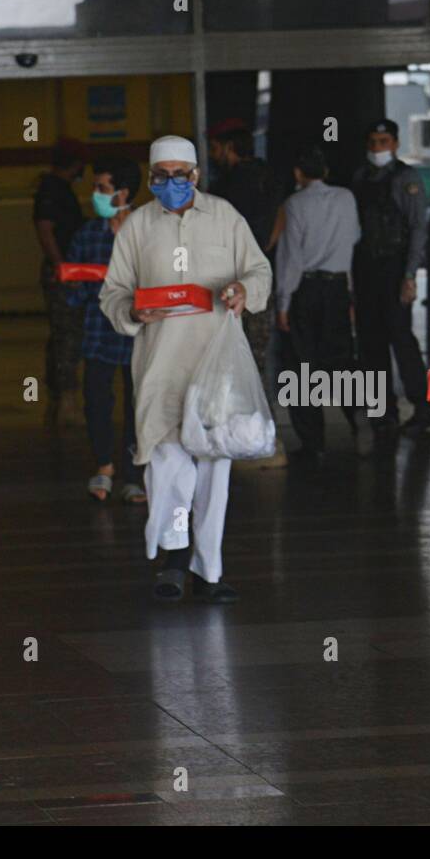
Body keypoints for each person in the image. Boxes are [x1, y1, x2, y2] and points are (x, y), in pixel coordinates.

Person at [99, 135, 272, 604]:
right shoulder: (137, 226)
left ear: (195, 175)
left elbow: (260, 271)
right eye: (162, 176)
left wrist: (242, 289)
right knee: (167, 461)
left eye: (181, 174)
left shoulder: (225, 217)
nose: (171, 183)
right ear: (151, 178)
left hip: (216, 365)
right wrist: (134, 314)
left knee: (215, 464)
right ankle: (175, 559)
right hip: (160, 364)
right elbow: (113, 291)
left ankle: (208, 570)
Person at [274, 145, 366, 462]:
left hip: (306, 291)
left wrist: (283, 303)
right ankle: (360, 417)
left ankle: (314, 442)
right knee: (342, 359)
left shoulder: (294, 204)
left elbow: (291, 259)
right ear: (325, 172)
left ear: (298, 174)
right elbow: (353, 239)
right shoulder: (346, 198)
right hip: (338, 288)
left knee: (301, 367)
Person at [65, 156, 145, 504]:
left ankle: (135, 473)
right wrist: (96, 285)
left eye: (102, 188)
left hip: (141, 334)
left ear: (123, 193)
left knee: (138, 404)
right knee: (96, 400)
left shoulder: (148, 232)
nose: (95, 194)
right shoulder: (86, 234)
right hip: (98, 332)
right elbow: (72, 289)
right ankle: (104, 466)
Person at [207, 118, 286, 466]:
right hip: (259, 281)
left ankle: (247, 440)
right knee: (255, 360)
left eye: (214, 148)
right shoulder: (270, 176)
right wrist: (263, 252)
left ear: (227, 148)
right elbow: (280, 218)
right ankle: (258, 439)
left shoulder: (228, 185)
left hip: (232, 286)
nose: (213, 155)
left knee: (235, 364)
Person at [351, 118, 430, 436]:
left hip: (394, 267)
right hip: (366, 269)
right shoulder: (361, 177)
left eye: (383, 142)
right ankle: (382, 412)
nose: (377, 148)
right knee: (371, 342)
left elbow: (418, 228)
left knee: (401, 339)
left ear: (395, 144)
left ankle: (422, 409)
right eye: (372, 142)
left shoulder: (405, 177)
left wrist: (410, 274)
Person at [33, 137, 88, 428]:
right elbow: (46, 230)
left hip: (66, 270)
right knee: (67, 336)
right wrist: (62, 267)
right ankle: (66, 403)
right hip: (63, 273)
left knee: (61, 336)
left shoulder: (57, 189)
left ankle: (59, 403)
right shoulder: (53, 190)